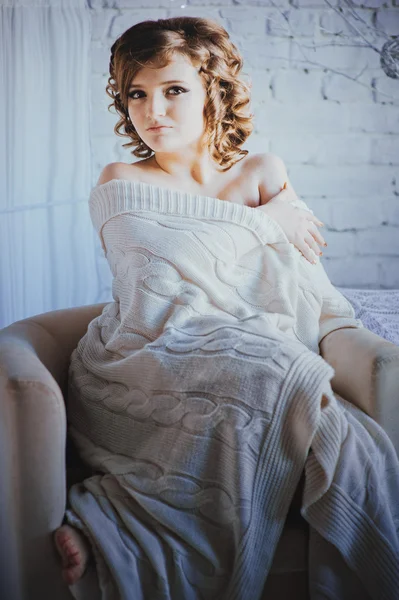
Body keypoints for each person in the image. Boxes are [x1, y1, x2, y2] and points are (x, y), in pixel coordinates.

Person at [53, 16, 378, 595]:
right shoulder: (122, 179)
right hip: (145, 351)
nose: (153, 111)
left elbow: (313, 287)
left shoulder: (261, 173)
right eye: (137, 94)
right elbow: (157, 283)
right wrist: (263, 225)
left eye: (174, 89)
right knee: (269, 368)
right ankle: (116, 524)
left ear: (214, 90)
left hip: (248, 353)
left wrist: (348, 335)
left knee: (336, 434)